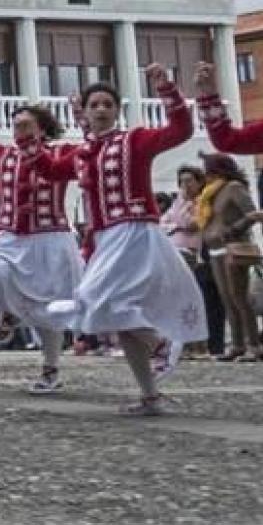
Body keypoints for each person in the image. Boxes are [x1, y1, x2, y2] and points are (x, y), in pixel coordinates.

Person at [43, 67, 205, 414]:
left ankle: (160, 342)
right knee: (121, 318)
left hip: (135, 232)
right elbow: (50, 172)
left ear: (117, 110)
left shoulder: (135, 140)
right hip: (105, 238)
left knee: (93, 298)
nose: (101, 109)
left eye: (108, 104)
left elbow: (181, 130)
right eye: (94, 104)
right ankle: (150, 395)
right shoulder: (81, 154)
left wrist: (166, 88)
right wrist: (31, 142)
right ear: (84, 112)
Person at [0, 94, 82, 393]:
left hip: (50, 237)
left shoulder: (63, 152)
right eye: (15, 125)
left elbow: (87, 154)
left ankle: (51, 368)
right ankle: (6, 314)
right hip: (10, 235)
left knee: (51, 308)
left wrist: (80, 114)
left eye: (25, 124)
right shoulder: (2, 156)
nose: (18, 130)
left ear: (42, 129)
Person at [197, 153, 262, 361]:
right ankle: (237, 344)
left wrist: (234, 228)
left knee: (239, 297)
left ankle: (254, 345)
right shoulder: (210, 193)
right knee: (227, 300)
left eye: (209, 170)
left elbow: (254, 214)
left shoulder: (234, 187)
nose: (206, 174)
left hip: (233, 247)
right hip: (215, 251)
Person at [162, 167, 225, 359]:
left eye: (189, 180)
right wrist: (176, 223)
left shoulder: (202, 202)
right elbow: (163, 221)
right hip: (174, 251)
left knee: (197, 298)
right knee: (178, 299)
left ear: (199, 182)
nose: (185, 185)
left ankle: (203, 345)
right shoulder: (178, 202)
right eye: (181, 181)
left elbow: (193, 223)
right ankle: (185, 345)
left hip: (194, 253)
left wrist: (175, 223)